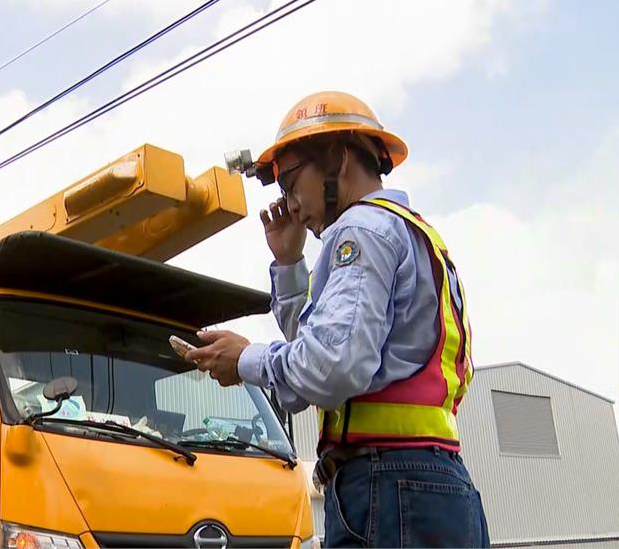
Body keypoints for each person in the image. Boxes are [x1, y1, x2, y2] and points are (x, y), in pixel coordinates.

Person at [188, 91, 490, 547]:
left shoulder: (360, 230)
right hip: (439, 485)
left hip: (386, 486)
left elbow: (330, 367)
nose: (289, 203)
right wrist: (289, 264)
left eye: (290, 181)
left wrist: (245, 360)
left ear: (339, 159)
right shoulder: (415, 232)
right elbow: (322, 356)